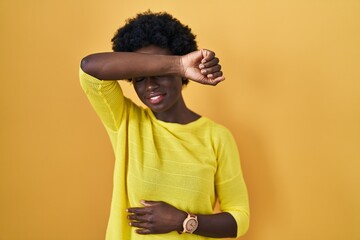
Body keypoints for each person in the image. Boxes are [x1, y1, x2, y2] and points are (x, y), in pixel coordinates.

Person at [79, 11, 249, 240]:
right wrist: (177, 63)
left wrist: (183, 221)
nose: (149, 85)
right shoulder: (126, 121)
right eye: (139, 77)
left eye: (159, 72)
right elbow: (89, 68)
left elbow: (239, 219)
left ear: (180, 75)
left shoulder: (216, 137)